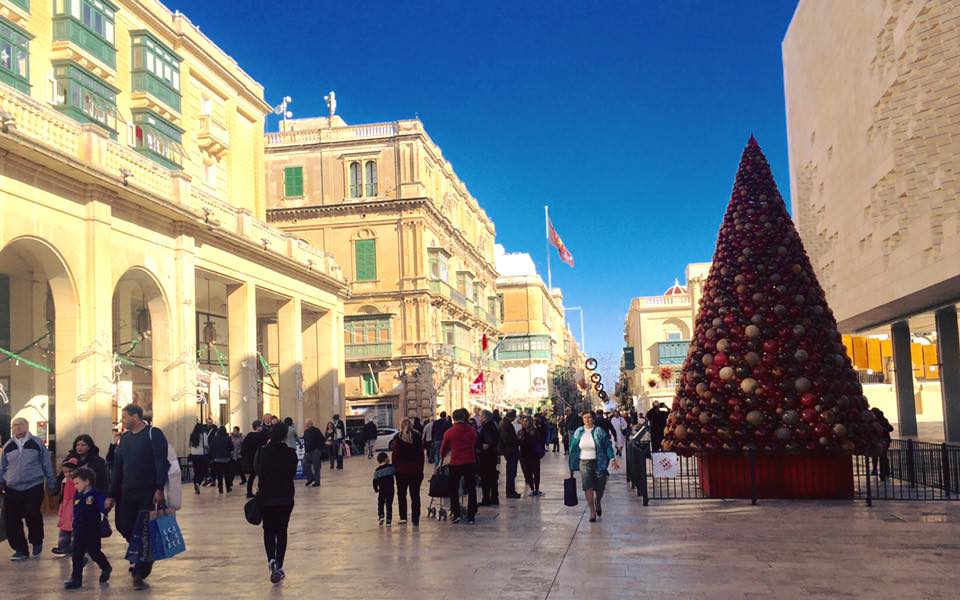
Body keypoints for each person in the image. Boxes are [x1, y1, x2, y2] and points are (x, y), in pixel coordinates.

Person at [106, 404, 169, 591]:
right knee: (123, 525)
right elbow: (118, 467)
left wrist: (159, 488)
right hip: (127, 491)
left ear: (136, 416)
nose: (122, 421)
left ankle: (140, 572)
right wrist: (111, 494)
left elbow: (161, 462)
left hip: (148, 492)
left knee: (145, 531)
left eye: (125, 417)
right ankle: (143, 555)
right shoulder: (124, 439)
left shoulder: (153, 434)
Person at [0, 417, 57, 560]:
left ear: (27, 426)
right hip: (12, 487)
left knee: (32, 513)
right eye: (15, 425)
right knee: (11, 519)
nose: (17, 428)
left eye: (20, 425)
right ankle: (20, 550)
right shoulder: (8, 446)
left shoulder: (37, 443)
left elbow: (46, 464)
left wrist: (51, 484)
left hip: (33, 485)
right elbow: (2, 467)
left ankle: (36, 541)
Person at [254, 423, 298, 584]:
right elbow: (291, 473)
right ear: (285, 436)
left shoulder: (262, 452)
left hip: (266, 497)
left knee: (268, 530)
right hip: (285, 497)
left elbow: (258, 470)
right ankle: (279, 563)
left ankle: (271, 559)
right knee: (282, 530)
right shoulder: (290, 453)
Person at [62, 467, 112, 589]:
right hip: (79, 530)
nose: (75, 486)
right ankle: (76, 579)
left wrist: (106, 506)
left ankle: (105, 567)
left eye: (77, 483)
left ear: (87, 481)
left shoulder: (96, 495)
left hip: (92, 530)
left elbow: (103, 509)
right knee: (77, 554)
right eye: (74, 484)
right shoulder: (78, 496)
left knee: (94, 552)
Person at [569, 410, 618, 522]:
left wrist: (612, 458)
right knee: (588, 486)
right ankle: (592, 511)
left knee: (600, 487)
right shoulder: (579, 432)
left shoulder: (599, 431)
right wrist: (571, 466)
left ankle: (598, 502)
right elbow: (573, 448)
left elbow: (607, 445)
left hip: (599, 462)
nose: (587, 419)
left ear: (593, 419)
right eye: (585, 417)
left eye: (589, 417)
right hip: (584, 462)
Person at [439, 408, 478, 524]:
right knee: (471, 489)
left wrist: (442, 457)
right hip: (470, 462)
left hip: (455, 463)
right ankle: (471, 515)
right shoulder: (472, 431)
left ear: (454, 418)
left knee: (453, 489)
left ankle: (456, 514)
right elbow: (474, 443)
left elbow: (443, 449)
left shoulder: (449, 432)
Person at [392, 418, 424, 526]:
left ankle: (403, 517)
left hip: (401, 472)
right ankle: (415, 519)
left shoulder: (397, 437)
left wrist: (395, 469)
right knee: (415, 495)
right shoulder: (417, 436)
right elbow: (421, 454)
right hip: (415, 471)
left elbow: (395, 456)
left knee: (401, 495)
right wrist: (421, 469)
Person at [53, 458, 79, 556]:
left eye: (70, 471)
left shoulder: (79, 481)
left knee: (75, 529)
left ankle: (75, 547)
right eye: (65, 472)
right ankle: (63, 547)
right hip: (65, 506)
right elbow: (62, 494)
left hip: (75, 506)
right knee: (64, 528)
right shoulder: (64, 481)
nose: (68, 474)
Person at [518, 414, 546, 497]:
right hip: (524, 455)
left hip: (534, 455)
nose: (524, 423)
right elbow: (519, 442)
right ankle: (532, 489)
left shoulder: (534, 431)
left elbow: (539, 441)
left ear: (530, 422)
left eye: (526, 421)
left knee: (536, 472)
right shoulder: (521, 432)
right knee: (528, 473)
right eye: (523, 421)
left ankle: (536, 489)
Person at [477, 410, 500, 506]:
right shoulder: (493, 426)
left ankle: (486, 499)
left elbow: (486, 444)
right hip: (492, 456)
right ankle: (494, 498)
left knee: (486, 478)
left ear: (485, 418)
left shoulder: (487, 427)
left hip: (487, 457)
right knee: (492, 478)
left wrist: (479, 446)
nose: (480, 419)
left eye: (481, 417)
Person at [498, 410, 521, 499]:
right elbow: (506, 439)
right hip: (510, 451)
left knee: (512, 472)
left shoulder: (505, 423)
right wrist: (517, 440)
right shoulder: (505, 424)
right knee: (511, 472)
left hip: (510, 451)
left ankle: (511, 490)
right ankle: (510, 491)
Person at [241, 420, 267, 499]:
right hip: (261, 458)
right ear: (257, 427)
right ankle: (261, 491)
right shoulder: (262, 435)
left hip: (251, 458)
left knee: (252, 476)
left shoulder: (249, 435)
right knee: (262, 476)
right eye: (261, 426)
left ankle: (249, 492)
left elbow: (244, 448)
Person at [372, 452, 395, 526]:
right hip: (390, 489)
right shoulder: (391, 467)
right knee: (389, 504)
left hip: (382, 490)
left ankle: (381, 515)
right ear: (385, 459)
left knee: (381, 503)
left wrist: (376, 489)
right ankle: (389, 520)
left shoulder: (377, 471)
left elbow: (374, 481)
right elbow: (396, 473)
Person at [209, 425, 234, 493]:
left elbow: (211, 449)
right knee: (227, 474)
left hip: (217, 459)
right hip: (226, 459)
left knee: (219, 475)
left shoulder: (214, 438)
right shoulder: (228, 438)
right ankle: (228, 488)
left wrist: (213, 456)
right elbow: (231, 448)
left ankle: (220, 489)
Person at [188, 422, 210, 495]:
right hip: (201, 455)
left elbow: (190, 445)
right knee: (202, 471)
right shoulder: (204, 435)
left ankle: (195, 482)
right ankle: (198, 482)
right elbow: (206, 445)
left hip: (193, 455)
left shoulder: (192, 435)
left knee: (196, 471)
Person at [301, 419, 323, 487]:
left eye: (308, 424)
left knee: (316, 467)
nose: (306, 425)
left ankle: (317, 481)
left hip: (315, 451)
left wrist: (319, 449)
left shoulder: (316, 430)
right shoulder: (306, 431)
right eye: (306, 424)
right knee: (304, 464)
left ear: (311, 424)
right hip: (307, 452)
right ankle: (310, 478)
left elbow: (322, 439)